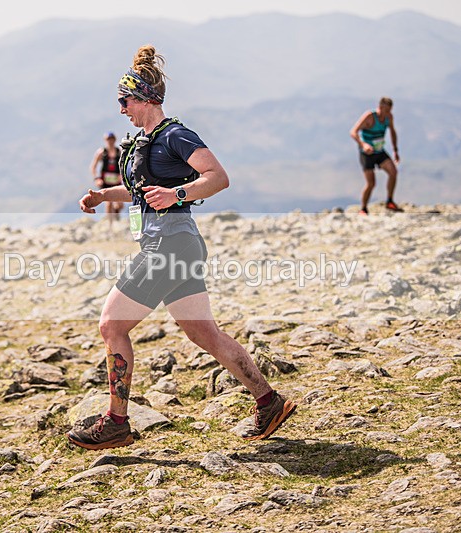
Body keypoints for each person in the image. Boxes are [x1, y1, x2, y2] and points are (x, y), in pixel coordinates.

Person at [69, 45, 297, 450]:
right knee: (202, 332)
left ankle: (116, 422)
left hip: (168, 247)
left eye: (124, 100)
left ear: (144, 99)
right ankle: (269, 401)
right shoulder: (144, 141)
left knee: (111, 325)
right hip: (179, 246)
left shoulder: (176, 134)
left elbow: (217, 176)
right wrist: (104, 195)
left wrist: (177, 193)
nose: (121, 109)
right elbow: (142, 193)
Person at [350, 97, 402, 215]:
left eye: (390, 110)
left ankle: (389, 201)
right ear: (380, 107)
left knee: (393, 172)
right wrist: (363, 145)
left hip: (379, 151)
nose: (388, 113)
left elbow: (393, 132)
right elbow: (353, 132)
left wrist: (395, 150)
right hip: (367, 154)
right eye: (386, 110)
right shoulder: (369, 116)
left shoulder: (389, 117)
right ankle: (363, 208)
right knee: (371, 183)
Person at [89, 131, 124, 229]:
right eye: (108, 140)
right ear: (105, 140)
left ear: (115, 140)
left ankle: (116, 214)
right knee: (108, 202)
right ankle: (110, 224)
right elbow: (93, 166)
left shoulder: (119, 152)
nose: (110, 142)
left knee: (120, 204)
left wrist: (122, 176)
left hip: (116, 181)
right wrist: (96, 178)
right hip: (105, 181)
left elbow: (124, 165)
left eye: (112, 139)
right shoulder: (101, 152)